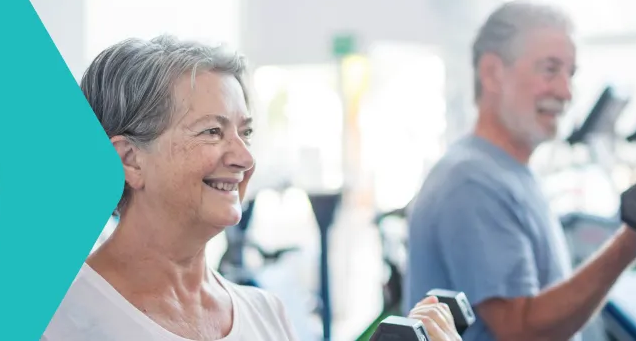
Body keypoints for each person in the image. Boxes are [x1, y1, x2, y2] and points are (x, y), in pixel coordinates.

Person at [42, 35, 463, 341]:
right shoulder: (52, 319)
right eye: (211, 132)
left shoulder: (265, 313)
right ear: (129, 161)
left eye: (245, 133)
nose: (244, 159)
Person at [403, 0, 636, 341]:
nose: (565, 92)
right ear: (493, 73)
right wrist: (628, 244)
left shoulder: (509, 173)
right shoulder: (472, 181)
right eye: (550, 69)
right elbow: (521, 330)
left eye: (570, 74)